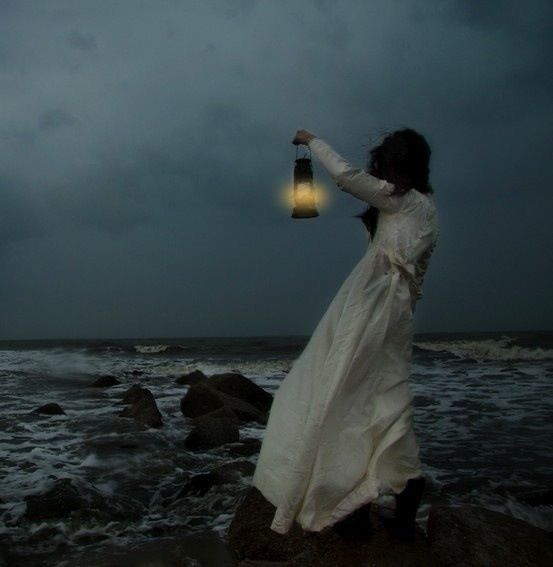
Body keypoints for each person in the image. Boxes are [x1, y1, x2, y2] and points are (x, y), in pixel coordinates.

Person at [250, 127, 440, 542]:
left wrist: (312, 140)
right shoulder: (424, 206)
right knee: (386, 396)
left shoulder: (402, 202)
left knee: (343, 394)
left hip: (372, 308)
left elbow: (346, 176)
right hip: (393, 312)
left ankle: (348, 498)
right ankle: (401, 487)